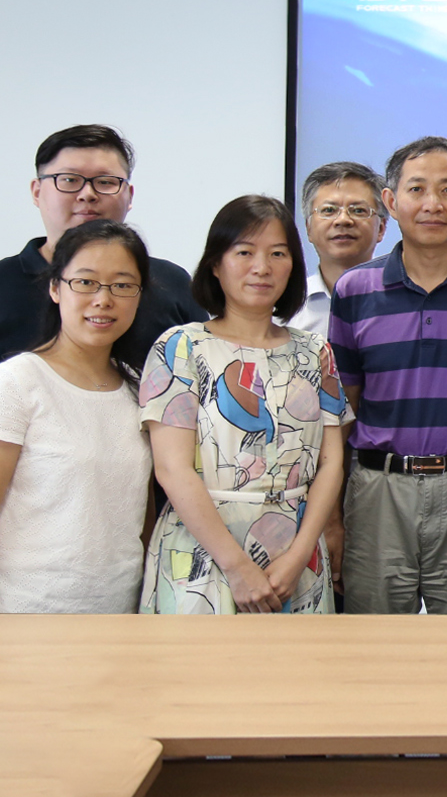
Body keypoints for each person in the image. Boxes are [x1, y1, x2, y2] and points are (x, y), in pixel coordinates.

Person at [0, 124, 200, 557]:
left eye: (105, 182)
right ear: (37, 191)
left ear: (129, 194)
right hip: (27, 539)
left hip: (154, 529)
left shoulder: (170, 283)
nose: (87, 195)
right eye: (69, 180)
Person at [328, 137, 447, 615]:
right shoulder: (355, 290)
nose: (432, 204)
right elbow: (341, 411)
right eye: (417, 189)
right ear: (391, 201)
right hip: (377, 489)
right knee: (372, 639)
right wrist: (332, 513)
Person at [139, 196, 348, 614]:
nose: (262, 267)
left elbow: (331, 463)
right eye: (244, 252)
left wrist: (300, 554)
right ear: (215, 265)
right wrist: (237, 567)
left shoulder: (315, 352)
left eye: (278, 254)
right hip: (203, 551)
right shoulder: (180, 347)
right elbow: (172, 468)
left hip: (296, 554)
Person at [0, 220, 154, 613]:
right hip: (26, 616)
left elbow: (139, 514)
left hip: (120, 617)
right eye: (85, 282)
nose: (103, 299)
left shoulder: (138, 388)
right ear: (56, 288)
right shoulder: (13, 384)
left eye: (122, 285)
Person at [287, 161, 388, 336]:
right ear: (308, 228)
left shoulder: (404, 303)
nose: (343, 220)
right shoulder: (285, 308)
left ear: (381, 228)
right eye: (329, 210)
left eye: (358, 210)